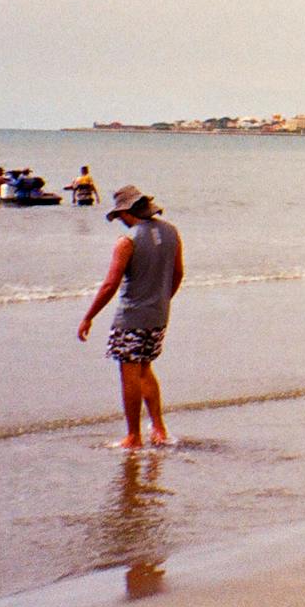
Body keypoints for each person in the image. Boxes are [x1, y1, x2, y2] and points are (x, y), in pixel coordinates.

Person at [78, 186, 183, 449]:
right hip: (159, 314)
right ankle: (158, 428)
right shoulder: (171, 232)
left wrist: (88, 317)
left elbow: (110, 285)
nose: (121, 221)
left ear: (127, 211)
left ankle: (133, 436)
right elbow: (178, 273)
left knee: (129, 373)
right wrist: (162, 299)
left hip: (131, 317)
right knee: (145, 368)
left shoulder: (128, 241)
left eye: (121, 215)